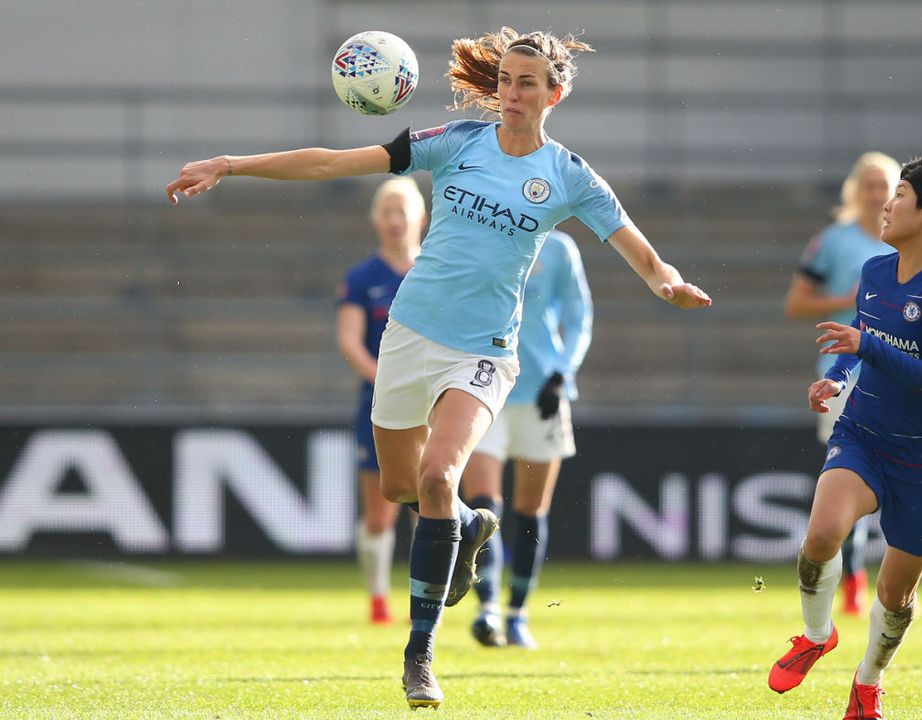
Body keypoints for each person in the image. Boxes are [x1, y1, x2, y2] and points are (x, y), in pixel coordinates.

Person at [165, 27, 712, 710]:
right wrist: (231, 163)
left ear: (555, 93)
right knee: (403, 486)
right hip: (409, 335)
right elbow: (333, 162)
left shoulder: (570, 176)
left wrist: (668, 283)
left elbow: (636, 245)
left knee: (435, 473)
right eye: (506, 80)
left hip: (485, 350)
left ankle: (419, 656)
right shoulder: (455, 143)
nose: (510, 94)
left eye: (527, 84)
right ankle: (469, 523)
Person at [768, 156, 922, 720]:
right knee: (821, 536)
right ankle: (816, 635)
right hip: (864, 430)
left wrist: (864, 348)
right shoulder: (876, 273)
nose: (888, 203)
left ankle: (869, 681)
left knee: (894, 597)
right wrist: (833, 382)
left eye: (902, 194)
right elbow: (858, 354)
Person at [461, 228, 591, 649]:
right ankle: (489, 610)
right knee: (484, 505)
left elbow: (578, 317)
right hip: (483, 386)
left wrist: (561, 373)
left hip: (541, 393)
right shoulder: (478, 236)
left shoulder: (558, 249)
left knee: (530, 510)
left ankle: (517, 613)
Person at [783, 152, 899, 616]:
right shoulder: (832, 242)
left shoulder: (909, 244)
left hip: (896, 371)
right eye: (868, 185)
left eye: (884, 186)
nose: (876, 195)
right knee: (848, 475)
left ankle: (889, 577)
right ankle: (853, 576)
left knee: (893, 475)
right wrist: (845, 300)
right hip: (842, 374)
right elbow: (796, 304)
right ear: (855, 191)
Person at [336, 177, 425, 624]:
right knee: (380, 512)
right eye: (386, 211)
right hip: (378, 406)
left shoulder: (435, 271)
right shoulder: (362, 277)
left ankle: (421, 600)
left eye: (401, 210)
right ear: (375, 219)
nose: (394, 220)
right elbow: (351, 344)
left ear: (420, 217)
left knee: (429, 503)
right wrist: (389, 381)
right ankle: (377, 598)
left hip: (430, 406)